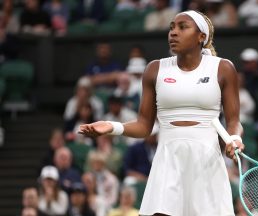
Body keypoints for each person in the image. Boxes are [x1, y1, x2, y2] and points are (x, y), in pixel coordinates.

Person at [79, 10, 244, 216]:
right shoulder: (155, 69)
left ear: (201, 37)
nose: (173, 33)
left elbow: (234, 121)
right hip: (167, 158)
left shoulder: (223, 68)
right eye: (171, 27)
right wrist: (112, 126)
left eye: (183, 27)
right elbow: (144, 126)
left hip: (206, 160)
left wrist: (235, 138)